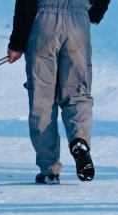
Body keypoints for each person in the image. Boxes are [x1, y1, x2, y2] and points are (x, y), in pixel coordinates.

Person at [8, 0, 110, 184]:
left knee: (42, 99)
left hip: (44, 22)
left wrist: (17, 42)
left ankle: (49, 169)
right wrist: (94, 13)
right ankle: (79, 140)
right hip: (79, 22)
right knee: (77, 92)